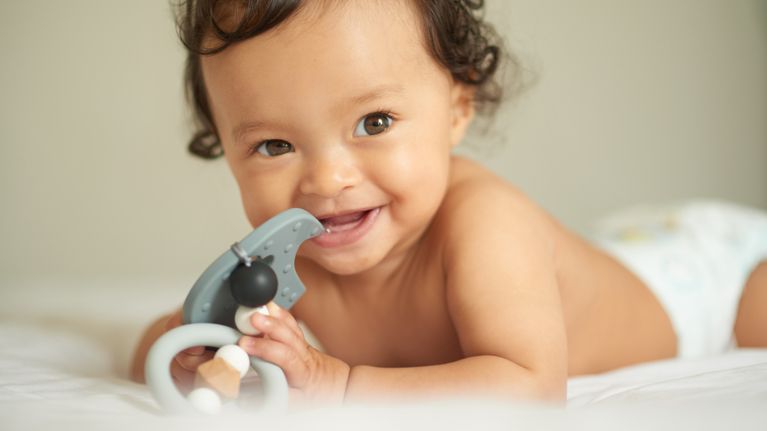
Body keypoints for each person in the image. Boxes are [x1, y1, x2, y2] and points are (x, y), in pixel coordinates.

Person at [131, 0, 767, 405]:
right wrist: (185, 350)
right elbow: (174, 339)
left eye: (374, 123)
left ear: (457, 109)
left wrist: (340, 384)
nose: (326, 180)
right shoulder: (293, 257)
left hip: (708, 285)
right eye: (274, 144)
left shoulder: (484, 225)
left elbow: (530, 387)